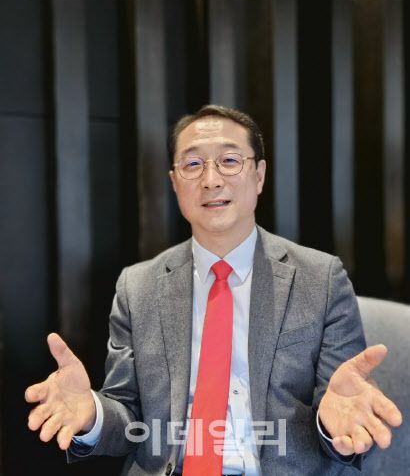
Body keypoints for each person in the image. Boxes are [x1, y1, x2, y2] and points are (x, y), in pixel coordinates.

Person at [26, 105, 402, 475]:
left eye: (229, 161)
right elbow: (128, 419)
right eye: (192, 164)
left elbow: (343, 411)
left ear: (259, 175)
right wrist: (92, 413)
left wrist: (333, 426)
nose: (210, 180)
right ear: (175, 182)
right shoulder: (137, 287)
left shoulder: (321, 280)